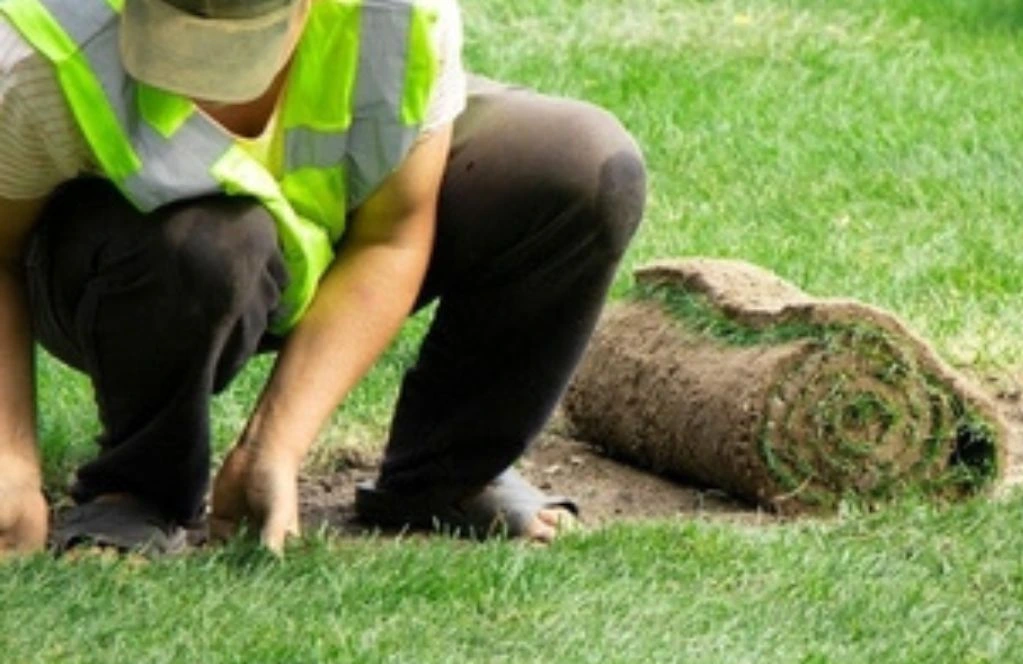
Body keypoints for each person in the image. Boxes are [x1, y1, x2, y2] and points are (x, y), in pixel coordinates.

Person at [0, 0, 646, 555]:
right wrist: (10, 462)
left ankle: (449, 476)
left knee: (576, 160)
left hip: (328, 235)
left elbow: (393, 233)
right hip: (128, 271)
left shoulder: (399, 20)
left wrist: (273, 447)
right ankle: (135, 491)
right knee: (213, 243)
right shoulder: (43, 48)